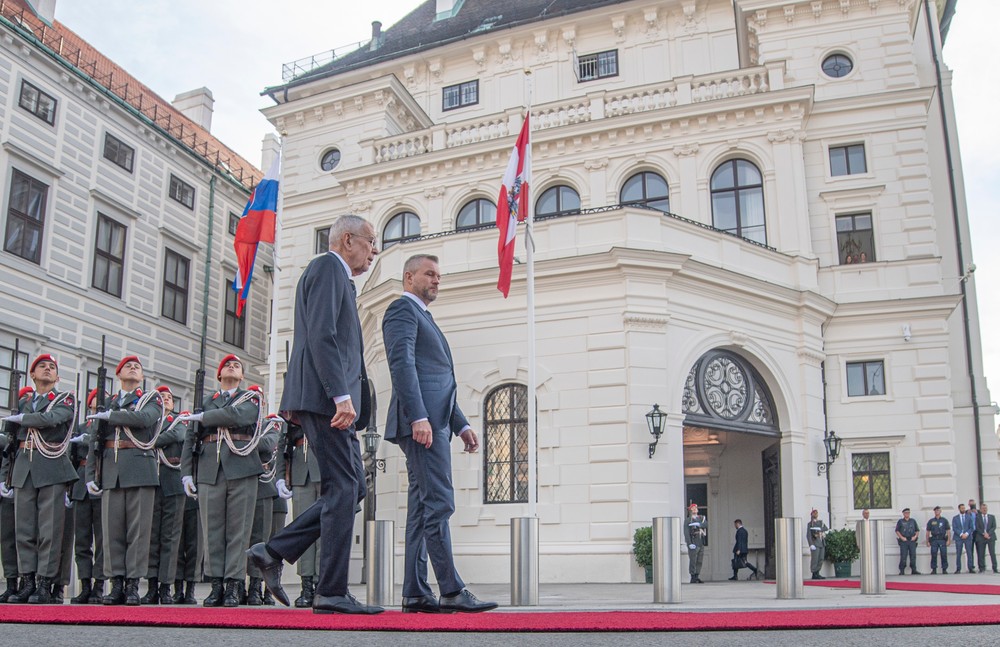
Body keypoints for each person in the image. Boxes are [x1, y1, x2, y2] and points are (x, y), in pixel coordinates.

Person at [246, 215, 381, 615]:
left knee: (351, 487)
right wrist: (341, 396)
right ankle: (330, 591)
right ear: (347, 239)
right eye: (371, 242)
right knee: (344, 487)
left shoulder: (338, 277)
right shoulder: (327, 267)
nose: (374, 251)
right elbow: (324, 335)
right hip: (326, 399)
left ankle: (273, 551)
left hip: (328, 398)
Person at [382, 254, 498, 614]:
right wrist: (418, 416)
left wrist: (461, 424)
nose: (436, 280)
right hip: (423, 425)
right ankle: (450, 590)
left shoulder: (424, 316)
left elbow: (438, 380)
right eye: (429, 274)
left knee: (421, 508)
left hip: (435, 422)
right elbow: (401, 364)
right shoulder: (402, 310)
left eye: (438, 275)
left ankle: (416, 593)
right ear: (408, 277)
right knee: (440, 502)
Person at [178, 356, 271, 607]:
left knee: (238, 532)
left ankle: (233, 584)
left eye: (237, 366)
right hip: (210, 468)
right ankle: (216, 584)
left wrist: (204, 417)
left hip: (241, 467)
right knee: (212, 530)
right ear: (219, 375)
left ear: (241, 377)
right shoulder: (205, 401)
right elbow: (190, 438)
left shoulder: (250, 398)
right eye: (227, 365)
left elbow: (239, 416)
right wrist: (187, 472)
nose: (232, 367)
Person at [85, 355, 162, 605]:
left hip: (139, 466)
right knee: (112, 531)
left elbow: (144, 419)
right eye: (127, 365)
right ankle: (115, 582)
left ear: (142, 376)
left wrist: (110, 415)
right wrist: (90, 475)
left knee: (138, 532)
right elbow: (94, 441)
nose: (132, 368)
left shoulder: (150, 399)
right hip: (111, 469)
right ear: (118, 375)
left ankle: (132, 584)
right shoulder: (108, 403)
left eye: (137, 367)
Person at [0, 355, 77, 604]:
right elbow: (10, 440)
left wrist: (21, 419)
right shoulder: (23, 402)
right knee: (24, 530)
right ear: (32, 375)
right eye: (41, 366)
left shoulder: (64, 399)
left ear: (57, 377)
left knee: (49, 530)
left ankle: (45, 582)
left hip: (51, 465)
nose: (47, 369)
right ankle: (28, 581)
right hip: (24, 467)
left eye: (52, 367)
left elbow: (51, 419)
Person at [141, 386, 187, 604]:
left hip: (172, 481)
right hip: (151, 480)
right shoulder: (147, 422)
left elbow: (177, 435)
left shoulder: (180, 421)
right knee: (151, 536)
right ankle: (151, 585)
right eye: (161, 398)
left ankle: (166, 586)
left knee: (170, 537)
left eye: (169, 398)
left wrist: (151, 440)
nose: (166, 400)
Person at [277, 418, 323, 608]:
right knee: (303, 531)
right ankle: (306, 586)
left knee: (325, 531)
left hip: (325, 464)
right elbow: (283, 444)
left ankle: (322, 583)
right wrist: (280, 477)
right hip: (300, 468)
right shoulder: (294, 405)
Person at [68, 389, 105, 604]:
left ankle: (99, 585)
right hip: (81, 484)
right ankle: (85, 584)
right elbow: (72, 457)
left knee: (101, 540)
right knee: (82, 540)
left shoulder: (109, 427)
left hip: (101, 481)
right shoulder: (80, 428)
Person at [685, 503, 707, 583]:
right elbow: (686, 533)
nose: (695, 509)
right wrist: (689, 543)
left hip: (700, 541)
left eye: (696, 508)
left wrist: (699, 524)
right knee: (693, 560)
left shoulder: (701, 518)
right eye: (693, 508)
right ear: (690, 510)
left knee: (699, 560)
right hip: (694, 541)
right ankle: (693, 575)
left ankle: (697, 575)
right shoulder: (688, 520)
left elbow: (706, 525)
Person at [925, 506, 950, 574]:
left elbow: (948, 530)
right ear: (934, 512)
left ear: (940, 511)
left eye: (938, 510)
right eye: (936, 511)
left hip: (942, 539)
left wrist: (948, 540)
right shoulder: (931, 521)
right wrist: (927, 541)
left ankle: (944, 569)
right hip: (934, 540)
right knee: (933, 554)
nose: (937, 512)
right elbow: (928, 531)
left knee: (944, 554)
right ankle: (934, 569)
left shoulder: (944, 520)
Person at [895, 507, 920, 575]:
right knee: (903, 555)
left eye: (908, 513)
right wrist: (902, 537)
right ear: (903, 513)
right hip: (904, 541)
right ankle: (902, 570)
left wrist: (915, 537)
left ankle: (914, 569)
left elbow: (917, 530)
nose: (907, 514)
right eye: (906, 513)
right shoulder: (900, 521)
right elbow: (897, 531)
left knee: (913, 555)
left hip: (912, 540)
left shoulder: (913, 521)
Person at [974, 503, 997, 574]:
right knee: (981, 553)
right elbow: (977, 527)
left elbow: (994, 526)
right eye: (983, 509)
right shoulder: (977, 517)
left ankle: (995, 568)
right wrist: (983, 533)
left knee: (992, 553)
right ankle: (981, 568)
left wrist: (988, 534)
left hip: (990, 537)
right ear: (980, 509)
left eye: (985, 508)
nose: (984, 510)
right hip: (981, 537)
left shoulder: (992, 517)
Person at [952, 503, 974, 574]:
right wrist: (961, 534)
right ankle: (958, 568)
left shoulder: (969, 517)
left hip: (967, 537)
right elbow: (954, 528)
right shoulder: (955, 518)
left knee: (969, 553)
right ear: (959, 509)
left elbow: (971, 527)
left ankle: (970, 568)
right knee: (958, 553)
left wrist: (966, 534)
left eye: (964, 508)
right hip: (959, 537)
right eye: (962, 508)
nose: (963, 509)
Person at [807, 509, 828, 580]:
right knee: (815, 559)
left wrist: (819, 529)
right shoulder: (810, 524)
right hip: (815, 543)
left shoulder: (820, 522)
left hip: (822, 542)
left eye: (816, 513)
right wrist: (811, 544)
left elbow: (826, 528)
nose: (815, 515)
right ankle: (814, 572)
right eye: (814, 513)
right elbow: (809, 535)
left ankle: (818, 572)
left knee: (821, 558)